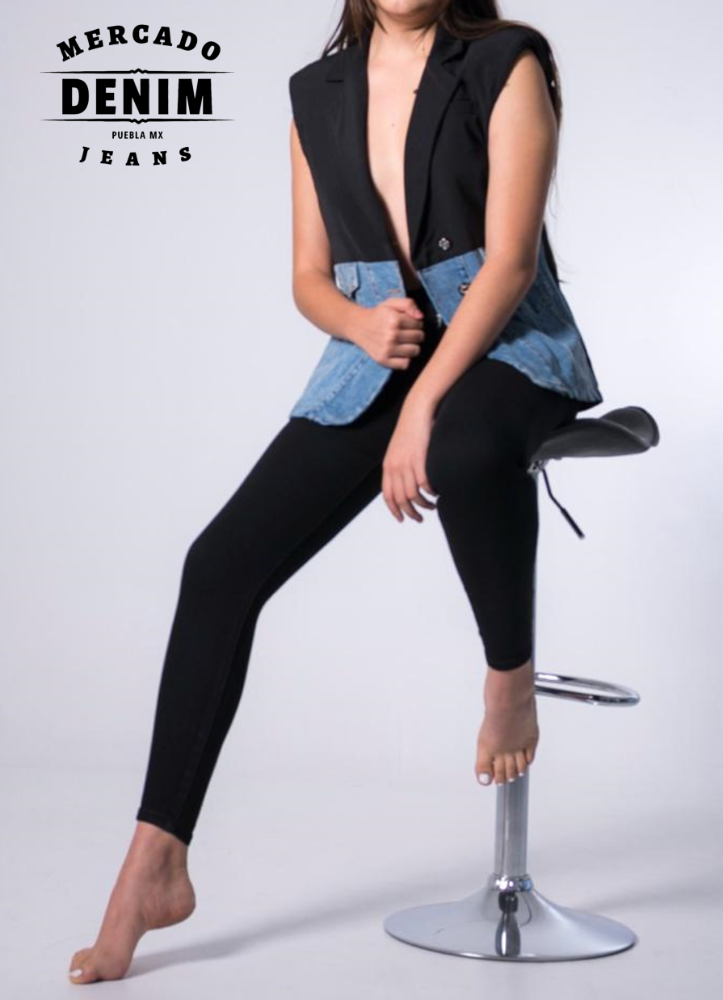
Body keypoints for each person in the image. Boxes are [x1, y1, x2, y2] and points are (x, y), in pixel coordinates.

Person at [68, 0, 604, 984]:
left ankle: (509, 677)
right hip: (380, 350)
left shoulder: (506, 63)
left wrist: (422, 406)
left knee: (462, 446)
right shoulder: (314, 96)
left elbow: (512, 261)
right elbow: (309, 277)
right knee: (217, 567)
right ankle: (155, 861)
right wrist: (360, 330)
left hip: (506, 342)